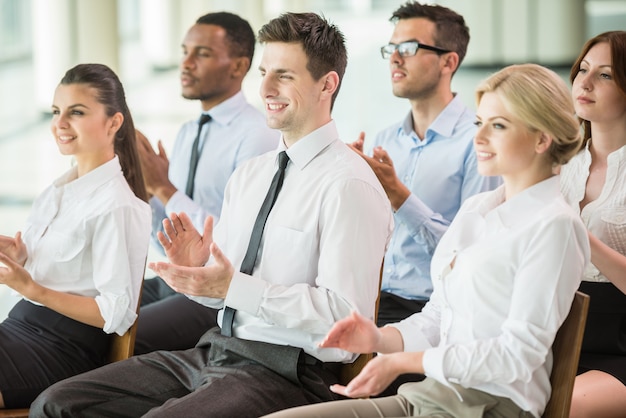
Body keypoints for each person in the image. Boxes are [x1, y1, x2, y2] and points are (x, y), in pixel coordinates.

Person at [30, 12, 393, 418]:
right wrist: (196, 276)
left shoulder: (349, 185)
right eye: (264, 72)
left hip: (290, 371)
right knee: (57, 403)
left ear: (328, 83)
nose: (267, 88)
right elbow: (226, 289)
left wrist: (234, 287)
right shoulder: (251, 175)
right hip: (217, 349)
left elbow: (347, 322)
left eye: (285, 75)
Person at [264, 63, 590, 418]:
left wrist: (403, 362)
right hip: (433, 396)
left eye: (498, 126)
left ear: (542, 139)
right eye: (479, 123)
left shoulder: (555, 226)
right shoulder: (479, 208)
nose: (478, 138)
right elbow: (439, 315)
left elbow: (517, 357)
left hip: (489, 408)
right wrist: (378, 340)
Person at [0, 63, 151, 409]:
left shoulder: (117, 206)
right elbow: (68, 273)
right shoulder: (57, 191)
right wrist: (23, 259)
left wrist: (31, 287)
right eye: (56, 111)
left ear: (113, 123)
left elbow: (118, 313)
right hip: (18, 328)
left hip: (57, 350)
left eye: (76, 112)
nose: (60, 123)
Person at [134, 11, 279, 354]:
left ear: (238, 67)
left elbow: (236, 241)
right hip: (179, 277)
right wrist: (147, 192)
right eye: (185, 51)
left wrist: (165, 189)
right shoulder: (188, 132)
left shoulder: (256, 136)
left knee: (124, 332)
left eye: (202, 54)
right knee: (91, 312)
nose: (185, 63)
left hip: (219, 290)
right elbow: (170, 236)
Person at [352, 1, 500, 328]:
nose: (394, 57)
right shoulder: (386, 139)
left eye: (408, 47)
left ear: (448, 61)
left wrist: (399, 196)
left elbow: (473, 255)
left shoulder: (480, 143)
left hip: (434, 309)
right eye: (391, 48)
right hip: (372, 299)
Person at [560, 31, 626, 418]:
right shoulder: (559, 164)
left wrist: (583, 241)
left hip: (619, 339)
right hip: (559, 325)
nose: (583, 83)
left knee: (566, 405)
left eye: (604, 75)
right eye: (582, 70)